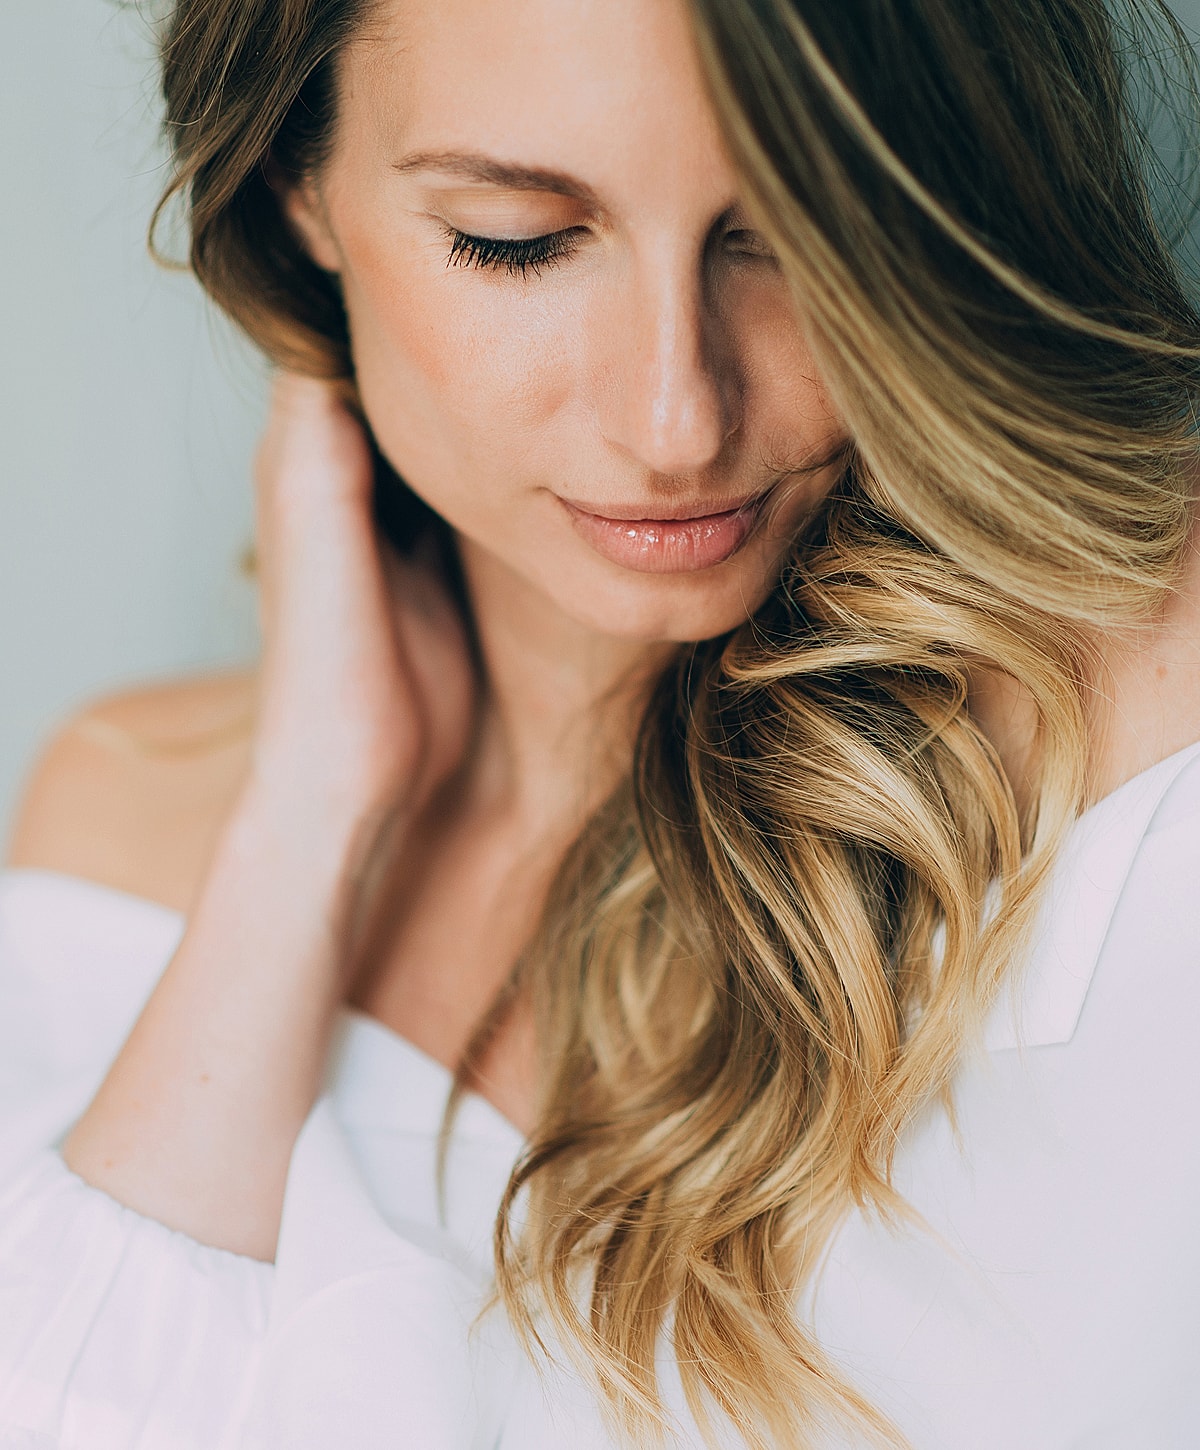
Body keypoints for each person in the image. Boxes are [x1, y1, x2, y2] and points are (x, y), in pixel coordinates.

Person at [2, 0, 1199, 1444]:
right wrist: (309, 810)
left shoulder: (1142, 696)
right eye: (518, 239)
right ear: (296, 189)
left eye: (791, 229)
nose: (676, 415)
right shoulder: (121, 819)